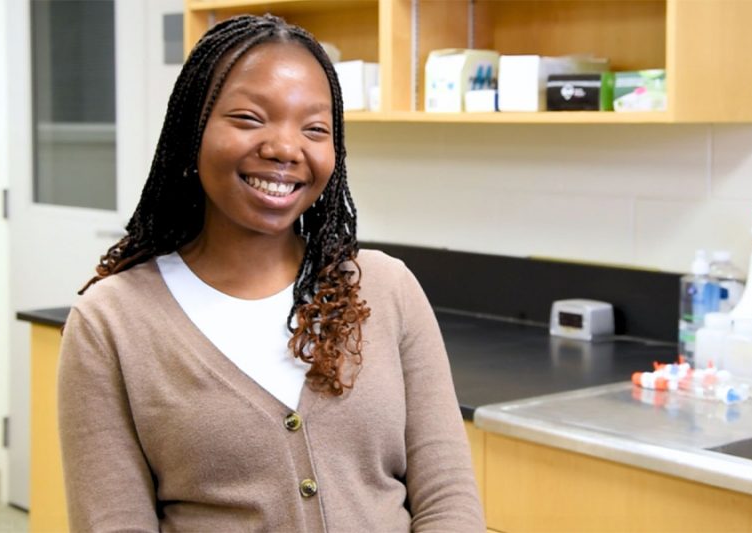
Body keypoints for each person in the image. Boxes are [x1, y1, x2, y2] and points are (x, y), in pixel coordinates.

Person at [57, 13, 484, 533]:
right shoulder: (112, 322)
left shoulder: (386, 289)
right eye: (249, 118)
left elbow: (448, 501)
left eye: (314, 129)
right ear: (193, 131)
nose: (285, 148)